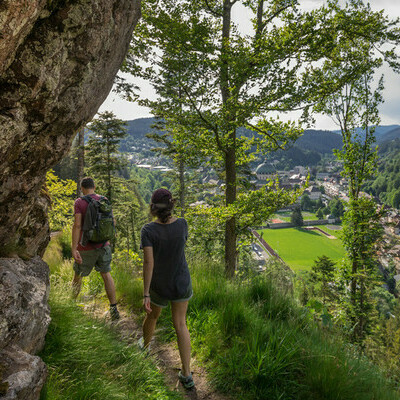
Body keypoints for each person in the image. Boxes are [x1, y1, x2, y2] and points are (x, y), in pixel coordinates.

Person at [140, 188, 194, 389]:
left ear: (153, 208)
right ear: (171, 205)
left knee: (152, 316)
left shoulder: (148, 230)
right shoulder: (182, 224)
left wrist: (146, 292)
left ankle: (144, 350)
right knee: (181, 324)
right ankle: (187, 374)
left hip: (159, 285)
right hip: (181, 282)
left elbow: (148, 262)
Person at [71, 177, 120, 321]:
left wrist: (74, 248)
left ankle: (71, 305)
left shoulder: (80, 202)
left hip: (86, 247)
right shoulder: (104, 199)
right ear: (94, 186)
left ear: (82, 188)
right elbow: (113, 221)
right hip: (104, 245)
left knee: (77, 275)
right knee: (106, 275)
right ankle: (114, 308)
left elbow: (77, 225)